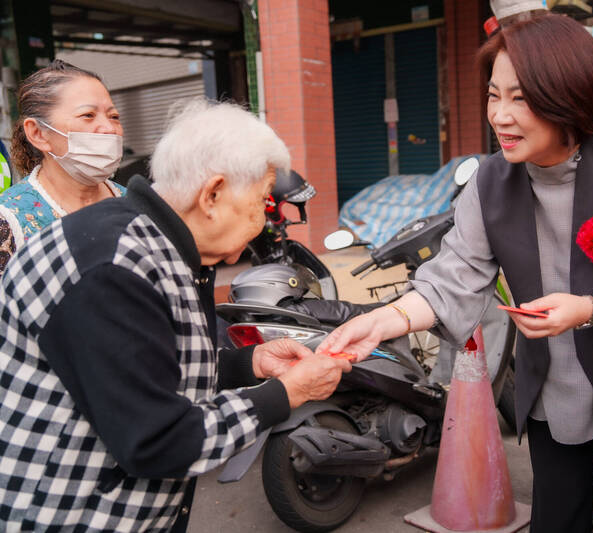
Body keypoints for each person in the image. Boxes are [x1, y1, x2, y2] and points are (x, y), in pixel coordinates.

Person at [318, 14, 593, 533]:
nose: (501, 116)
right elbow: (453, 276)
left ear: (569, 97)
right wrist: (382, 321)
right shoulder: (489, 184)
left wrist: (588, 308)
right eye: (494, 95)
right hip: (556, 397)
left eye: (522, 98)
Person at [0, 98, 351, 532]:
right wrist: (284, 394)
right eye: (262, 201)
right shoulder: (112, 269)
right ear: (213, 194)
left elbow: (145, 366)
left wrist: (249, 364)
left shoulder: (155, 245)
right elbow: (157, 440)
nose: (263, 221)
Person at [0, 59, 126, 275]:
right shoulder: (11, 220)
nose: (109, 128)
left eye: (114, 116)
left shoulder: (136, 204)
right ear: (38, 133)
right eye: (88, 115)